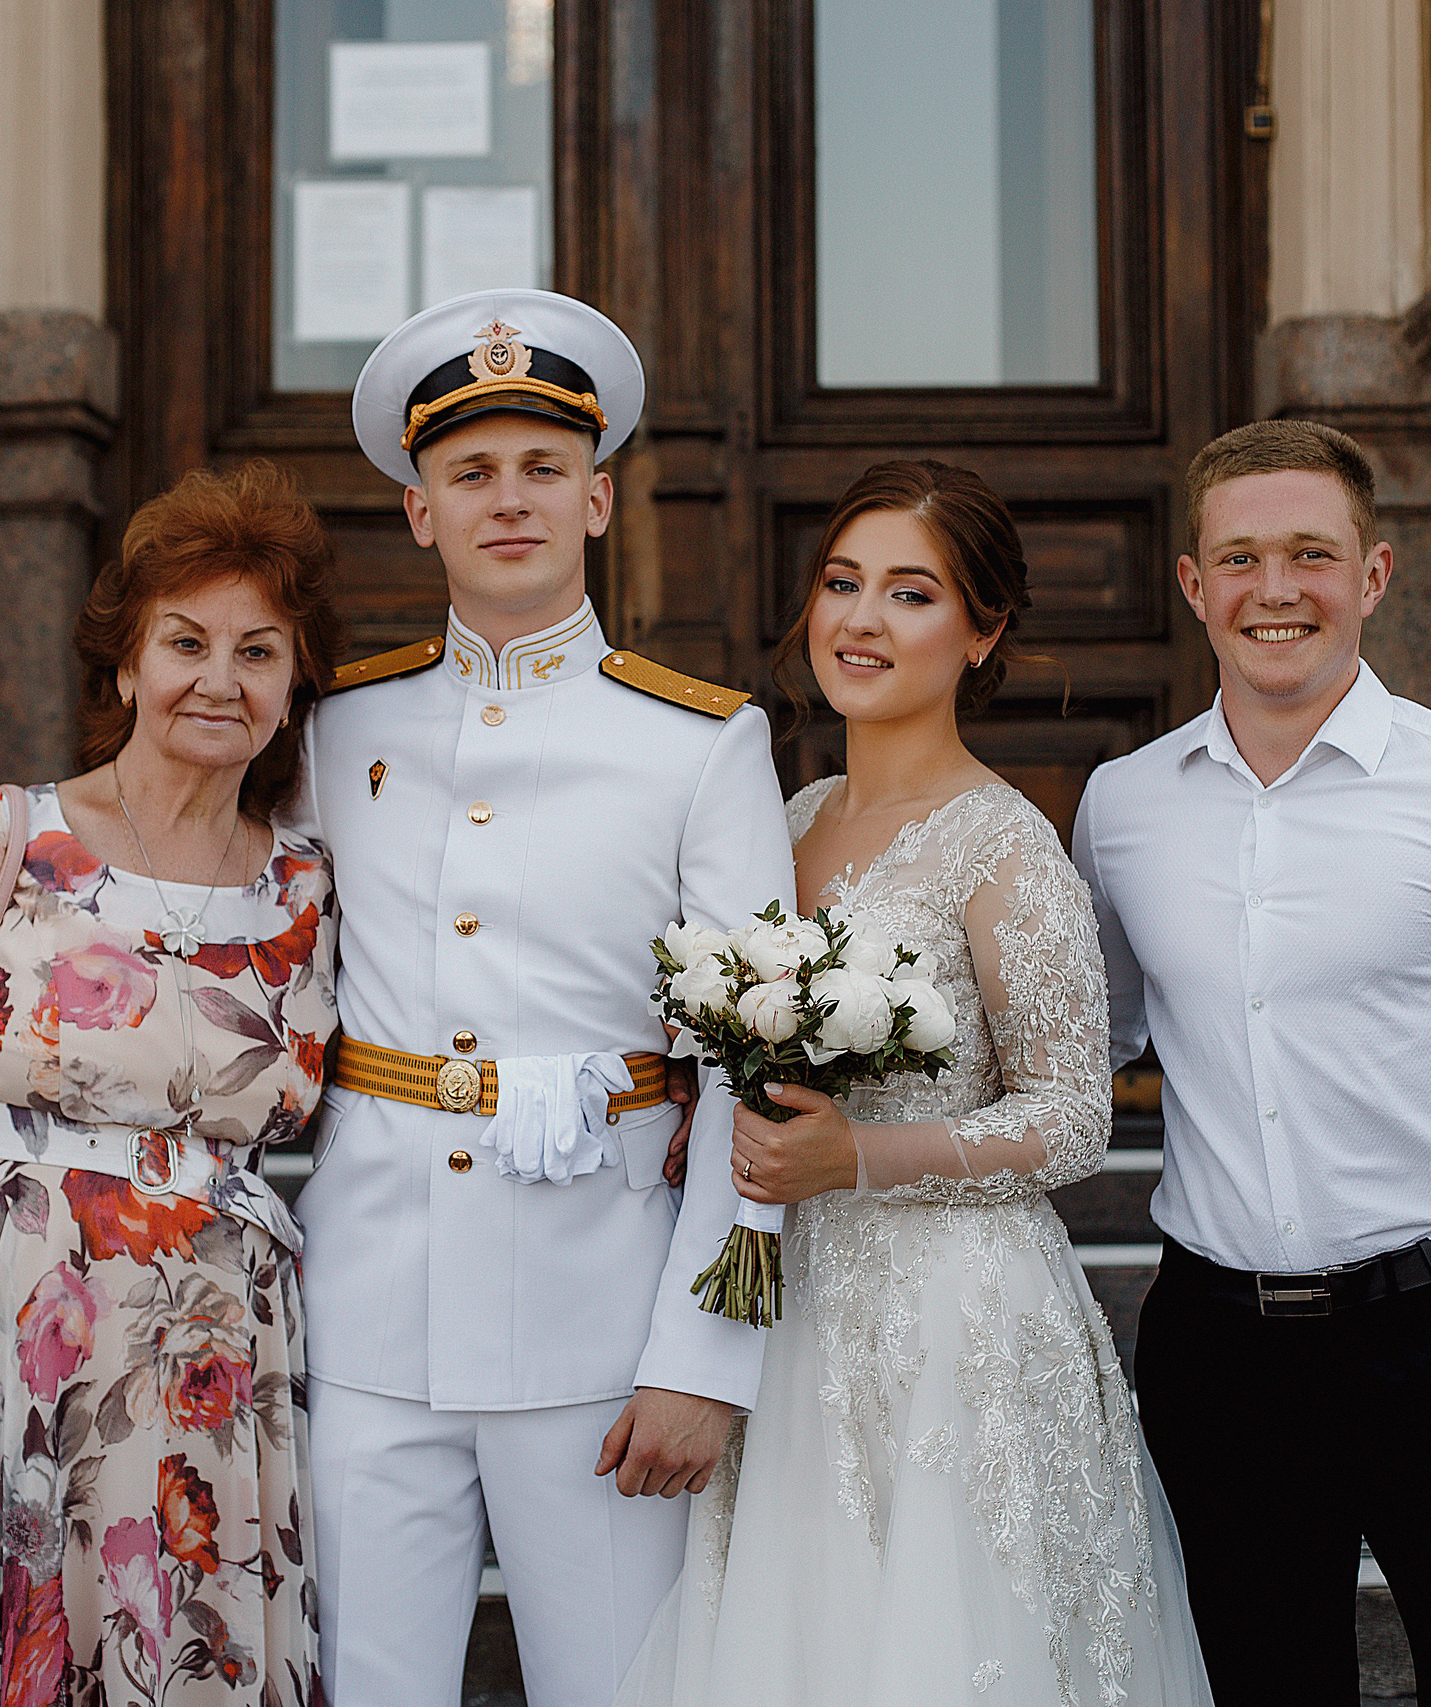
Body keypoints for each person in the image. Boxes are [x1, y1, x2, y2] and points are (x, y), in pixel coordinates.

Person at [1073, 419, 1431, 1706]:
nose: (1274, 589)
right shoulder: (1123, 805)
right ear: (1192, 585)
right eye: (1238, 558)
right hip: (1212, 1348)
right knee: (1255, 1679)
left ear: (1374, 574)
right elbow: (1100, 1038)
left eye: (1310, 554)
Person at [614, 459, 1214, 1707]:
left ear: (981, 630)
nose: (860, 621)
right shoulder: (785, 819)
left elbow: (1072, 1120)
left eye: (909, 593)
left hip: (957, 1325)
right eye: (842, 584)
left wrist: (860, 1156)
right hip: (789, 1314)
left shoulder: (1005, 846)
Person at [288, 289, 795, 1707]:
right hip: (376, 1303)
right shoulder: (338, 726)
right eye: (470, 472)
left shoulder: (702, 742)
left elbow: (757, 1069)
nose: (508, 499)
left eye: (541, 469)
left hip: (604, 1319)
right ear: (419, 510)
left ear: (598, 498)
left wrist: (705, 1355)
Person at [0, 462, 344, 1707]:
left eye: (258, 651)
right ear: (123, 667)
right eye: (186, 642)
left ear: (293, 683)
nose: (220, 678)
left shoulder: (309, 889)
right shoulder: (8, 835)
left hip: (205, 1341)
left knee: (172, 1644)